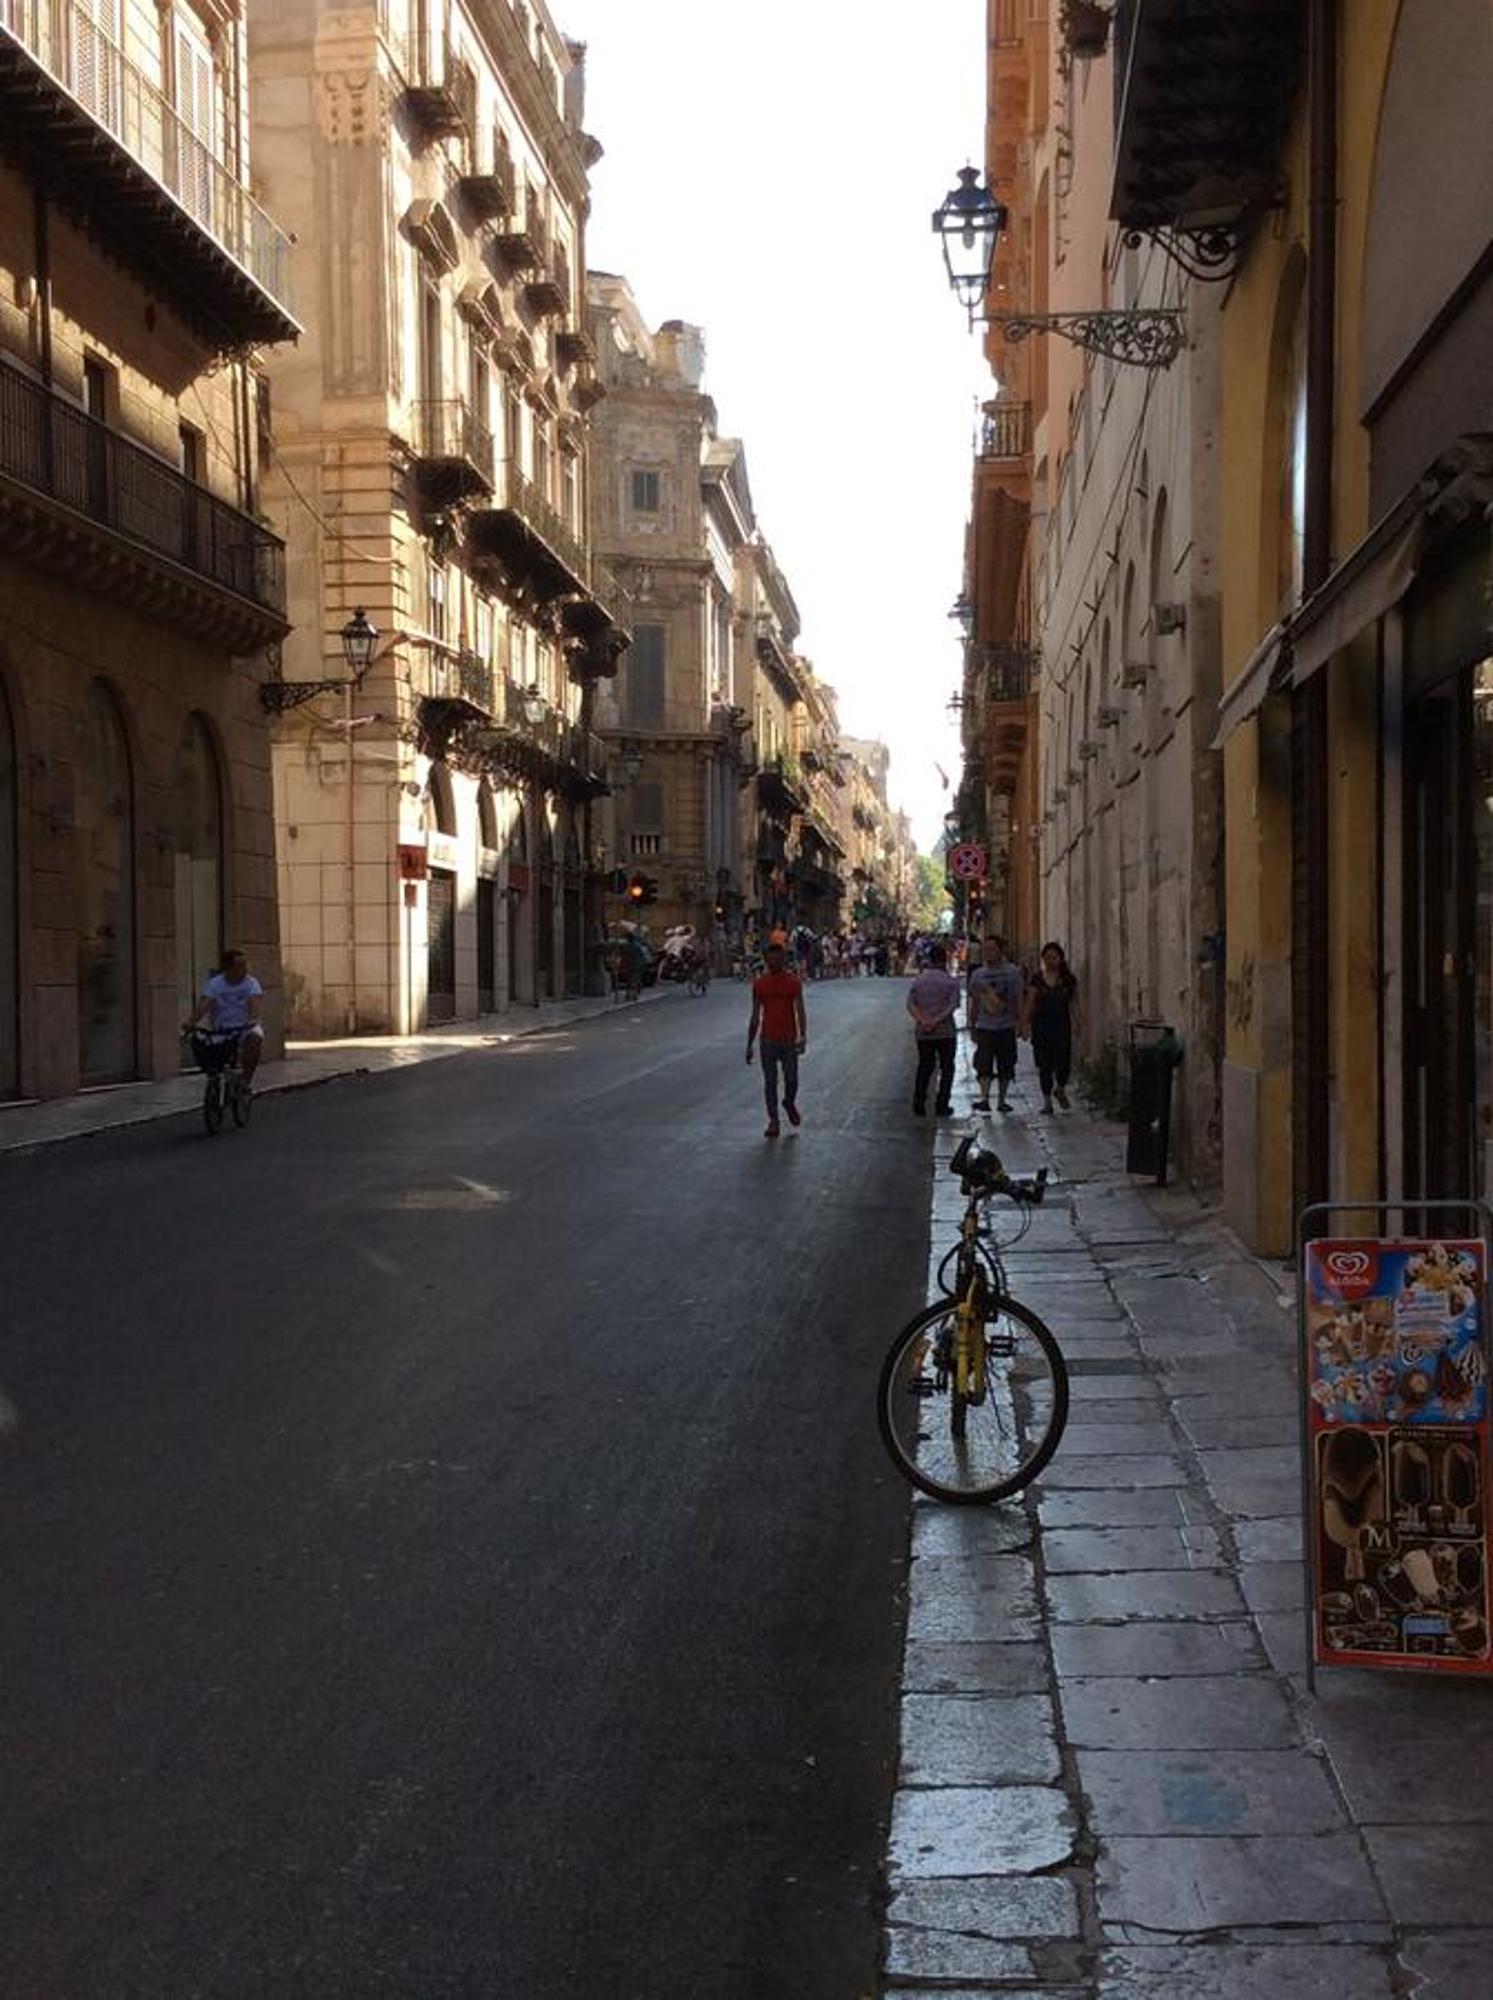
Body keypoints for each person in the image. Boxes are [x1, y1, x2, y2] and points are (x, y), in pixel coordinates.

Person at [746, 939, 807, 1138]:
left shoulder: (793, 982)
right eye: (770, 960)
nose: (774, 964)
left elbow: (800, 1010)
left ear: (783, 960)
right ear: (765, 960)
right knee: (770, 1081)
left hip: (789, 1039)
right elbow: (755, 1015)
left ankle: (789, 1102)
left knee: (792, 1079)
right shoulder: (760, 984)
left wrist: (802, 1036)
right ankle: (773, 1120)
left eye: (777, 960)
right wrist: (749, 1044)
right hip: (768, 1039)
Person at [966, 934, 1027, 1114]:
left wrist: (1022, 1023)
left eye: (992, 949)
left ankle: (1002, 1100)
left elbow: (1019, 1000)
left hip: (1006, 1026)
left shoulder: (1012, 973)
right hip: (985, 1026)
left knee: (1006, 1063)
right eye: (985, 949)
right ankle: (984, 1098)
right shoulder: (977, 975)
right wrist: (972, 1023)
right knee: (983, 1063)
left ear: (1001, 950)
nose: (988, 953)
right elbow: (975, 1001)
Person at [186, 946, 264, 1086]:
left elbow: (255, 1005)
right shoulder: (215, 984)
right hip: (222, 1029)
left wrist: (253, 1020)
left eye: (245, 964)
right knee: (202, 1044)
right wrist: (191, 1022)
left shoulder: (251, 983)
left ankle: (246, 1080)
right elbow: (204, 1004)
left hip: (245, 1027)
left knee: (255, 1038)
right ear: (228, 967)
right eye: (240, 965)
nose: (245, 968)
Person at [906, 941, 961, 1117]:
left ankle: (919, 1103)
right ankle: (942, 1104)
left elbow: (910, 1004)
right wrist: (937, 1020)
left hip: (923, 1033)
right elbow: (952, 1006)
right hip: (945, 1032)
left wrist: (923, 1020)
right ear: (944, 960)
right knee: (947, 1068)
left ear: (929, 960)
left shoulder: (919, 981)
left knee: (925, 1066)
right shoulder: (951, 982)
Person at [1027, 941, 1079, 1114]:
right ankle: (1047, 1102)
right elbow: (1031, 1001)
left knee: (1063, 1063)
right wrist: (1025, 1023)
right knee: (1044, 1065)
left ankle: (1061, 1088)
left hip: (1062, 1026)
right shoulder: (1037, 979)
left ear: (1060, 959)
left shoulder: (1068, 980)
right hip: (1041, 1027)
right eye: (1047, 957)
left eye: (1054, 957)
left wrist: (1079, 1022)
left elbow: (1074, 1004)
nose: (1050, 961)